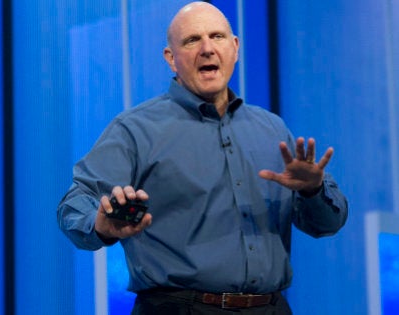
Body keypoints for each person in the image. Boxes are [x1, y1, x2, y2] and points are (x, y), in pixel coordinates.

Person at [57, 2, 348, 314]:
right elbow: (75, 204)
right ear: (171, 58)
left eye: (218, 37)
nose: (208, 49)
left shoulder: (273, 129)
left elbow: (327, 224)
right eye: (192, 40)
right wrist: (100, 225)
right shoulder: (135, 129)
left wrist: (311, 191)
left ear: (234, 48)